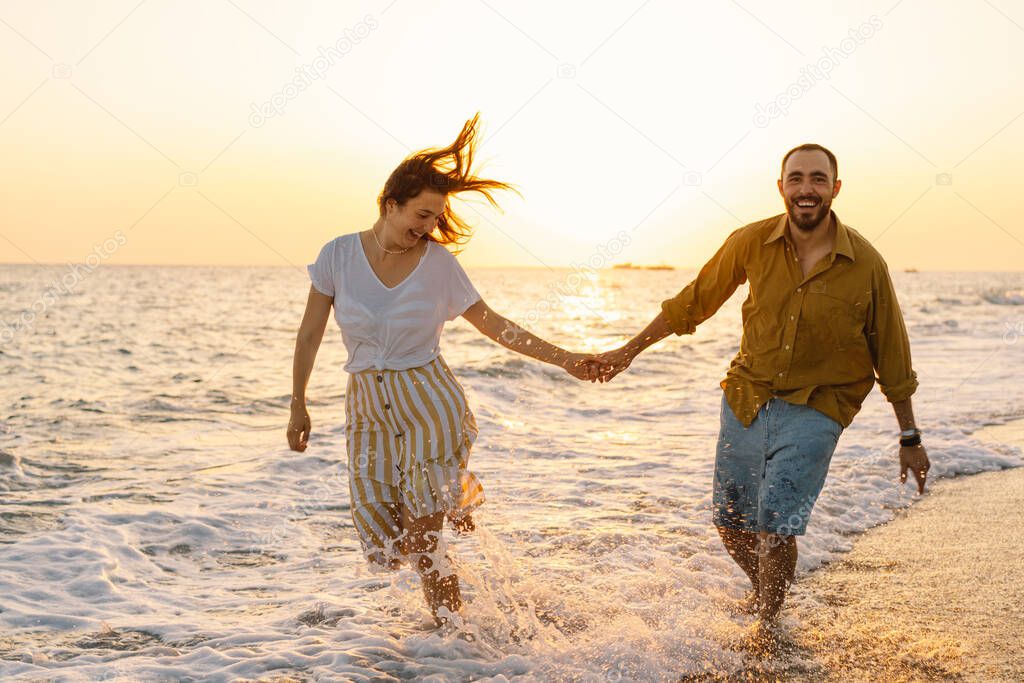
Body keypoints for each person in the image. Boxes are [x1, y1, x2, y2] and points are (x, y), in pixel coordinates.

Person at [593, 143, 930, 651]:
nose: (806, 189)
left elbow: (893, 354)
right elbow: (695, 301)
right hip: (747, 395)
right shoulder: (751, 241)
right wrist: (629, 350)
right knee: (730, 521)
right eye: (796, 179)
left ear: (835, 189)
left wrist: (909, 435)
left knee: (775, 522)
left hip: (821, 404)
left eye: (818, 179)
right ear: (781, 187)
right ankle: (764, 589)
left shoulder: (866, 264)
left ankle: (769, 626)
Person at [287, 114, 598, 627]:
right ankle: (458, 505)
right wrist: (298, 403)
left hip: (429, 402)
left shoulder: (438, 265)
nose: (428, 226)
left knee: (423, 538)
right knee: (388, 547)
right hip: (366, 408)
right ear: (391, 204)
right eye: (421, 214)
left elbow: (495, 325)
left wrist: (564, 358)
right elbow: (309, 334)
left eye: (435, 218)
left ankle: (455, 646)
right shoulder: (337, 256)